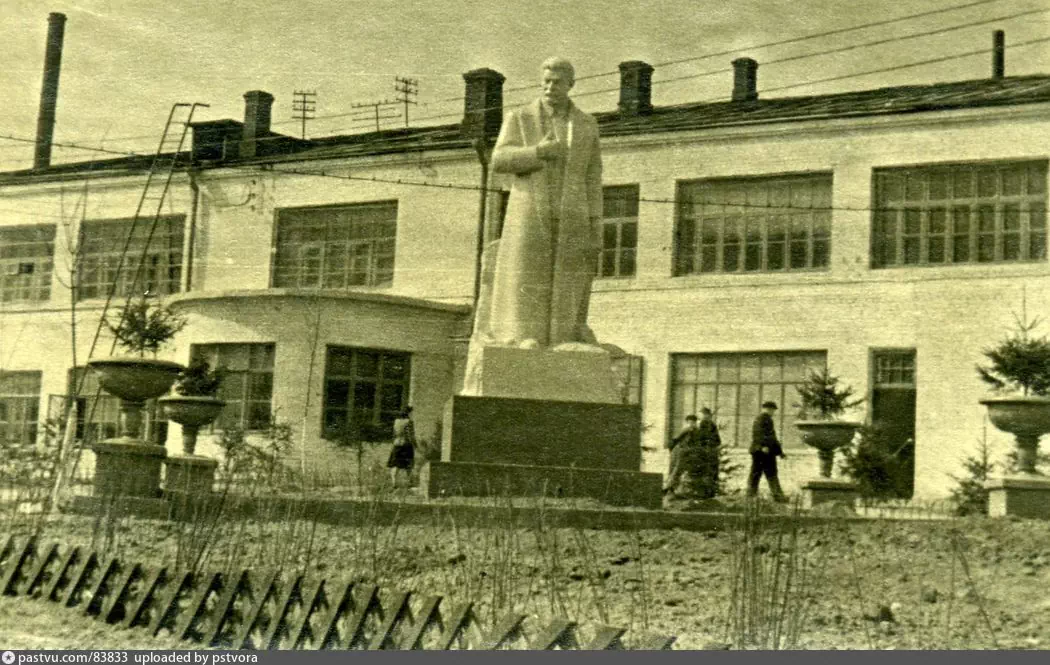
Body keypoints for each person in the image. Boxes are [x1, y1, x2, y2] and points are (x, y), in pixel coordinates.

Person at [468, 56, 604, 357]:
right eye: (546, 81)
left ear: (571, 84)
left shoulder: (586, 124)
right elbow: (498, 160)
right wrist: (537, 153)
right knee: (527, 272)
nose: (550, 87)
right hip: (529, 208)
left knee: (567, 274)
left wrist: (596, 225)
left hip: (572, 212)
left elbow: (593, 178)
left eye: (557, 82)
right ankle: (524, 334)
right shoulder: (520, 117)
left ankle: (562, 335)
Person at [749, 401, 789, 503]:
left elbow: (772, 438)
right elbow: (758, 434)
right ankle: (777, 497)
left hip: (765, 451)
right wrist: (763, 446)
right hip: (762, 451)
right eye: (772, 410)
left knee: (763, 474)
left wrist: (780, 453)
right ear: (768, 409)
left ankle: (751, 496)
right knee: (763, 474)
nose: (773, 412)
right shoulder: (761, 419)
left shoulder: (766, 419)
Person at [664, 414, 701, 497]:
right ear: (687, 422)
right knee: (674, 468)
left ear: (695, 423)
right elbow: (676, 439)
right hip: (679, 450)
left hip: (687, 452)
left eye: (693, 422)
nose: (691, 424)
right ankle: (669, 487)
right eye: (690, 422)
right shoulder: (686, 430)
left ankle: (672, 487)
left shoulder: (697, 431)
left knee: (679, 469)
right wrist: (672, 449)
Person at [694, 407, 722, 499]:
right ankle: (711, 493)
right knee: (712, 473)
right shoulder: (712, 424)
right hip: (712, 451)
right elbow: (718, 441)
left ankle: (705, 494)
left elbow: (700, 438)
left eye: (702, 414)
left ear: (706, 415)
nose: (701, 416)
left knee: (705, 472)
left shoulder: (703, 424)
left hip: (705, 452)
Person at [387, 407, 416, 489]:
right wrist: (415, 445)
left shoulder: (396, 421)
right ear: (408, 413)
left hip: (396, 444)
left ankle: (394, 483)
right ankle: (409, 482)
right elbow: (411, 435)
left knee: (395, 464)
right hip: (406, 444)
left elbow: (394, 434)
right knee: (408, 464)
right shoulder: (409, 422)